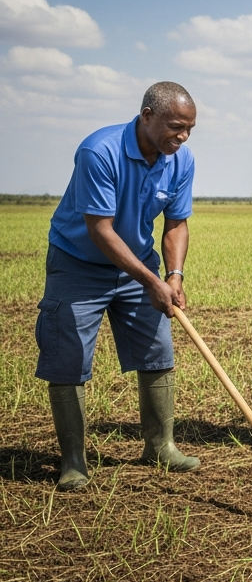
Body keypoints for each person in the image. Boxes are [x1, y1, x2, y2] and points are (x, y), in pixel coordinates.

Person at [36, 82, 202, 491]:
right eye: (176, 127)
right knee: (69, 357)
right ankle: (74, 461)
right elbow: (101, 230)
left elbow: (176, 223)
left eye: (189, 129)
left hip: (138, 264)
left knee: (157, 351)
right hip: (78, 263)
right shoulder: (100, 151)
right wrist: (151, 281)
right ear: (147, 116)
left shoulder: (180, 160)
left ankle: (160, 447)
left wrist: (173, 275)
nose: (182, 137)